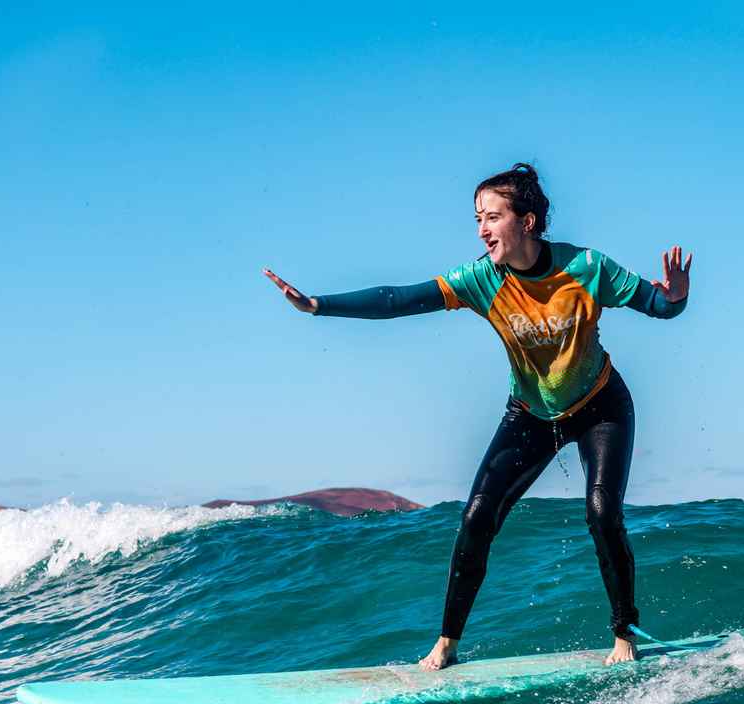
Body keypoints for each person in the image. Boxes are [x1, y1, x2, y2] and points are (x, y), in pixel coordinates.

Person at [264, 163, 691, 670]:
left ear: (527, 221)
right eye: (477, 219)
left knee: (601, 514)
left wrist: (676, 298)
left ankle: (624, 634)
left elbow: (659, 306)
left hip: (601, 405)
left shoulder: (586, 268)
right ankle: (446, 643)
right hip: (531, 411)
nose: (482, 229)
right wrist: (318, 305)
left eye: (492, 217)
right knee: (477, 517)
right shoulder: (482, 279)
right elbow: (400, 299)